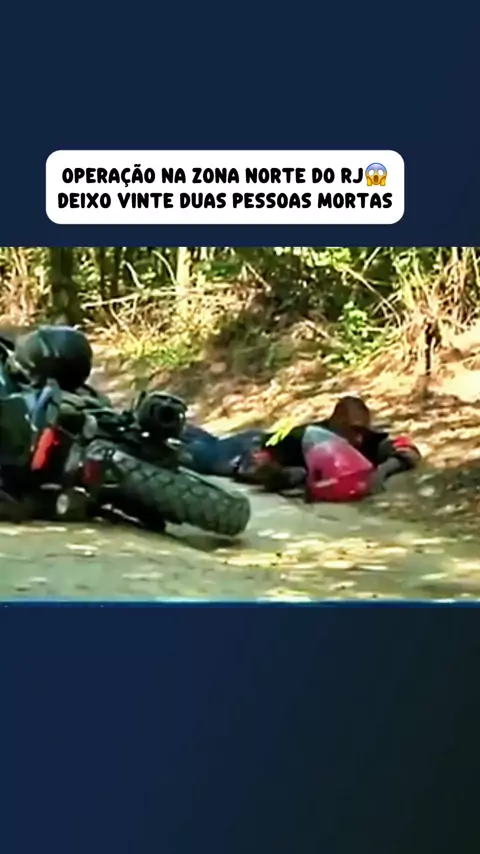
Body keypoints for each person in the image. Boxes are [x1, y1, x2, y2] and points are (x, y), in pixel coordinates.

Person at [232, 396, 421, 498]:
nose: (358, 438)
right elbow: (260, 456)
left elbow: (408, 451)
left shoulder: (366, 440)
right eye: (351, 429)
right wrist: (273, 472)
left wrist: (382, 472)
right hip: (249, 442)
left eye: (362, 430)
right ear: (334, 425)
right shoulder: (300, 436)